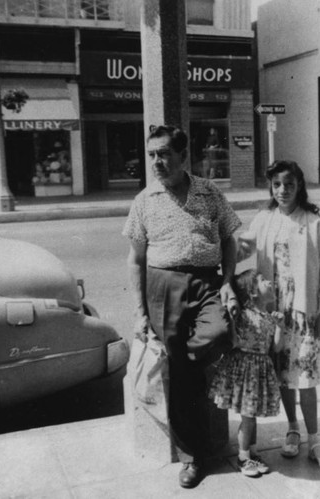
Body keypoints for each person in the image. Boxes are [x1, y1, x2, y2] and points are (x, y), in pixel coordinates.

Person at [122, 124, 241, 489]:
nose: (157, 161)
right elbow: (136, 260)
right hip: (164, 287)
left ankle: (186, 365)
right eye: (152, 154)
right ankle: (193, 458)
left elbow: (229, 240)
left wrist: (227, 283)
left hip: (205, 281)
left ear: (182, 156)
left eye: (164, 154)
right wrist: (141, 313)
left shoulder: (209, 192)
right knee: (182, 376)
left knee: (219, 332)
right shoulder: (145, 200)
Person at [237, 160, 320, 472]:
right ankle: (292, 429)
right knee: (283, 374)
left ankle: (315, 441)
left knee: (306, 379)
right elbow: (242, 248)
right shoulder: (264, 219)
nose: (283, 190)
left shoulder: (313, 222)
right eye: (277, 185)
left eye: (289, 184)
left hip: (304, 311)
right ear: (271, 187)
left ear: (300, 187)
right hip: (274, 313)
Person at [209, 269, 283, 477]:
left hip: (259, 370)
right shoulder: (243, 314)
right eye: (263, 279)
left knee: (253, 415)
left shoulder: (268, 317)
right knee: (248, 416)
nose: (270, 281)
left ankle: (253, 452)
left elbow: (275, 348)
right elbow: (231, 334)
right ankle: (243, 457)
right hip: (245, 371)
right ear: (252, 292)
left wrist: (279, 327)